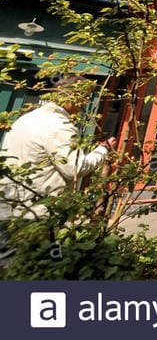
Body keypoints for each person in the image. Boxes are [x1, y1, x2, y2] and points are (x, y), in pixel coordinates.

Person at [0, 75, 116, 259]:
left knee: (9, 267)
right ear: (72, 97)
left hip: (9, 205)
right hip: (38, 212)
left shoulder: (26, 118)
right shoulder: (59, 125)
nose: (84, 103)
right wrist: (102, 151)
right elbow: (75, 168)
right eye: (83, 97)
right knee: (37, 266)